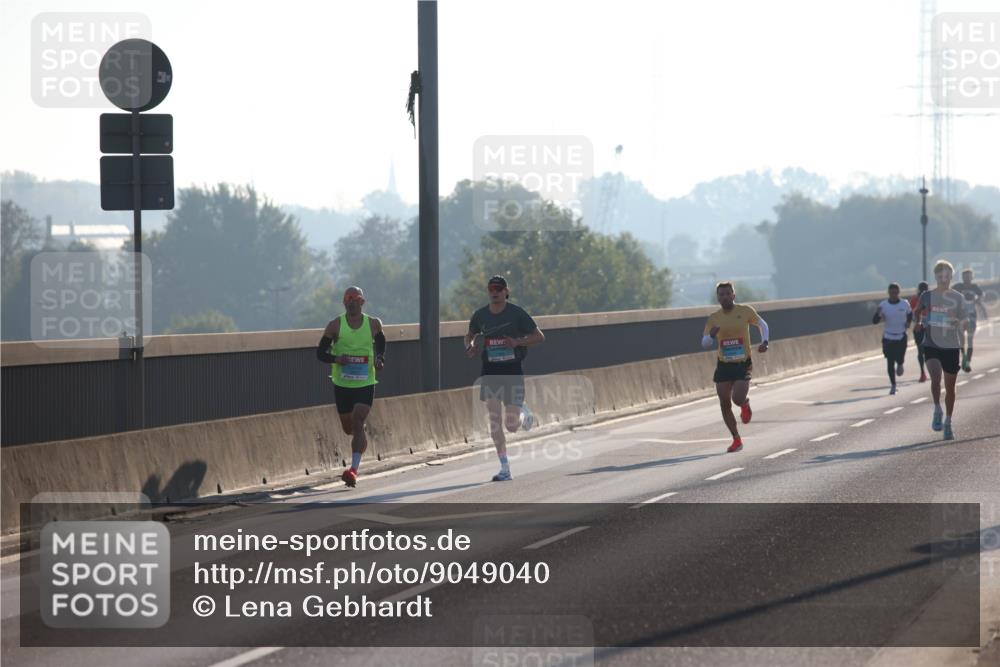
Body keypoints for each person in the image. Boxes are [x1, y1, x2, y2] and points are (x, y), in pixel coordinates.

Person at [465, 275, 545, 481]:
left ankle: (523, 412)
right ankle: (505, 468)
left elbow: (539, 336)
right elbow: (470, 335)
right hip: (490, 372)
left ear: (506, 291)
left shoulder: (516, 313)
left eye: (499, 289)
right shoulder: (480, 315)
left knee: (511, 426)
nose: (495, 292)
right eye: (491, 288)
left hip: (512, 371)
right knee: (494, 421)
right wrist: (470, 346)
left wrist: (517, 342)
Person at [316, 286, 386, 487]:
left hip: (365, 382)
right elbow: (320, 353)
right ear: (344, 302)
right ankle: (359, 435)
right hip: (342, 384)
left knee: (357, 419)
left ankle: (353, 470)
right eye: (348, 299)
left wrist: (380, 358)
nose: (351, 302)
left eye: (355, 299)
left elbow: (381, 342)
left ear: (362, 302)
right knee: (349, 429)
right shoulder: (335, 325)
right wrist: (336, 359)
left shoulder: (373, 324)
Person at [701, 281, 769, 453]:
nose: (725, 297)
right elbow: (705, 343)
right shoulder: (714, 318)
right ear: (718, 298)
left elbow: (762, 325)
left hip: (742, 363)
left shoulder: (745, 311)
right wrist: (711, 336)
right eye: (721, 294)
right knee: (724, 403)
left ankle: (744, 404)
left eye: (727, 293)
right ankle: (736, 439)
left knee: (737, 399)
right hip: (724, 364)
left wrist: (765, 342)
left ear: (733, 295)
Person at [913, 261, 968, 440]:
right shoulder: (927, 296)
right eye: (940, 276)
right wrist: (918, 322)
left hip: (951, 346)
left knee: (950, 387)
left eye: (946, 276)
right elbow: (917, 311)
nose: (943, 279)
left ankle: (948, 422)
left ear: (951, 277)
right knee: (936, 378)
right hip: (931, 343)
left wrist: (957, 322)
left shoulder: (958, 298)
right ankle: (937, 409)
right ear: (936, 277)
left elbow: (965, 320)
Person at [873, 282, 912, 395]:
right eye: (891, 293)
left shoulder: (904, 303)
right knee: (890, 361)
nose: (894, 295)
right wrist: (878, 313)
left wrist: (908, 322)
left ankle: (900, 363)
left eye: (895, 292)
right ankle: (893, 385)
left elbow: (910, 314)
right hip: (888, 337)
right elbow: (874, 321)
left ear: (898, 292)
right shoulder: (883, 305)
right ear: (888, 293)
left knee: (899, 358)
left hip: (901, 336)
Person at [954, 268, 985, 373]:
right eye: (965, 276)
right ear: (962, 277)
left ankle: (968, 362)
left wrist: (978, 300)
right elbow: (949, 293)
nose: (967, 278)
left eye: (968, 276)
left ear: (972, 277)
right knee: (961, 340)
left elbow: (982, 295)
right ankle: (964, 358)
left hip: (972, 317)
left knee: (970, 340)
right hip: (960, 317)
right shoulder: (958, 287)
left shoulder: (975, 287)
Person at [908, 282, 930, 382]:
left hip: (929, 327)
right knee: (921, 351)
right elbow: (912, 314)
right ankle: (922, 373)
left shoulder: (932, 299)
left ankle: (928, 371)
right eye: (922, 289)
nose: (923, 291)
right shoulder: (914, 300)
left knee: (928, 351)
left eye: (925, 289)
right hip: (919, 328)